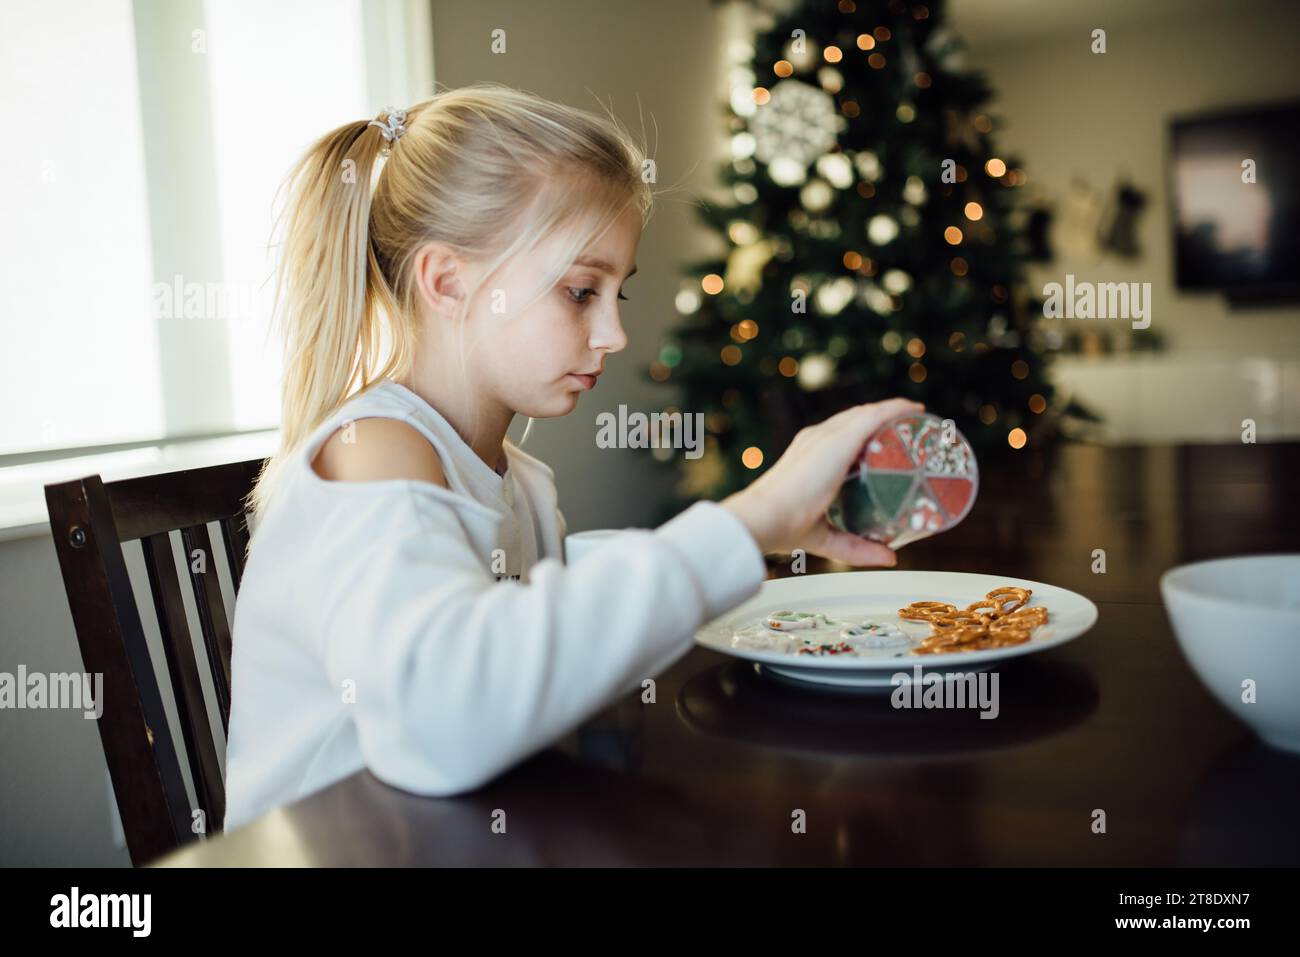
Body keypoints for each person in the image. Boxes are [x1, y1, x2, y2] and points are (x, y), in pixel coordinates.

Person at [223, 82, 921, 831]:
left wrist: (764, 539)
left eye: (617, 293)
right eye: (582, 290)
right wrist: (750, 519)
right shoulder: (374, 452)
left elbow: (527, 630)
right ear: (448, 281)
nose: (613, 333)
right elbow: (443, 720)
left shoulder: (517, 476)